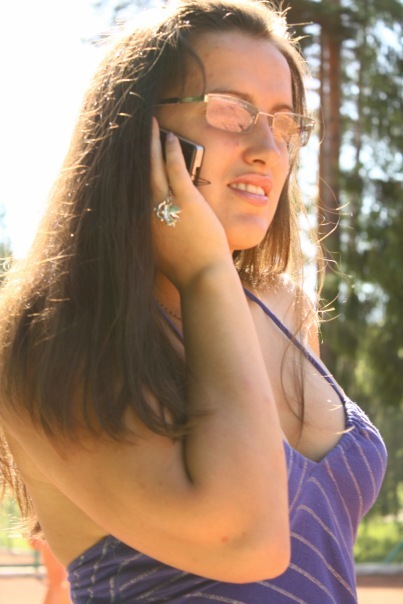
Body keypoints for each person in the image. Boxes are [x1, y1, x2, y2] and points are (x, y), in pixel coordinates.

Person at [0, 1, 387, 602]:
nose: (269, 148)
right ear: (138, 133)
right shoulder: (49, 338)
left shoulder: (286, 308)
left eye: (285, 124)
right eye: (231, 110)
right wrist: (205, 271)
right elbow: (250, 543)